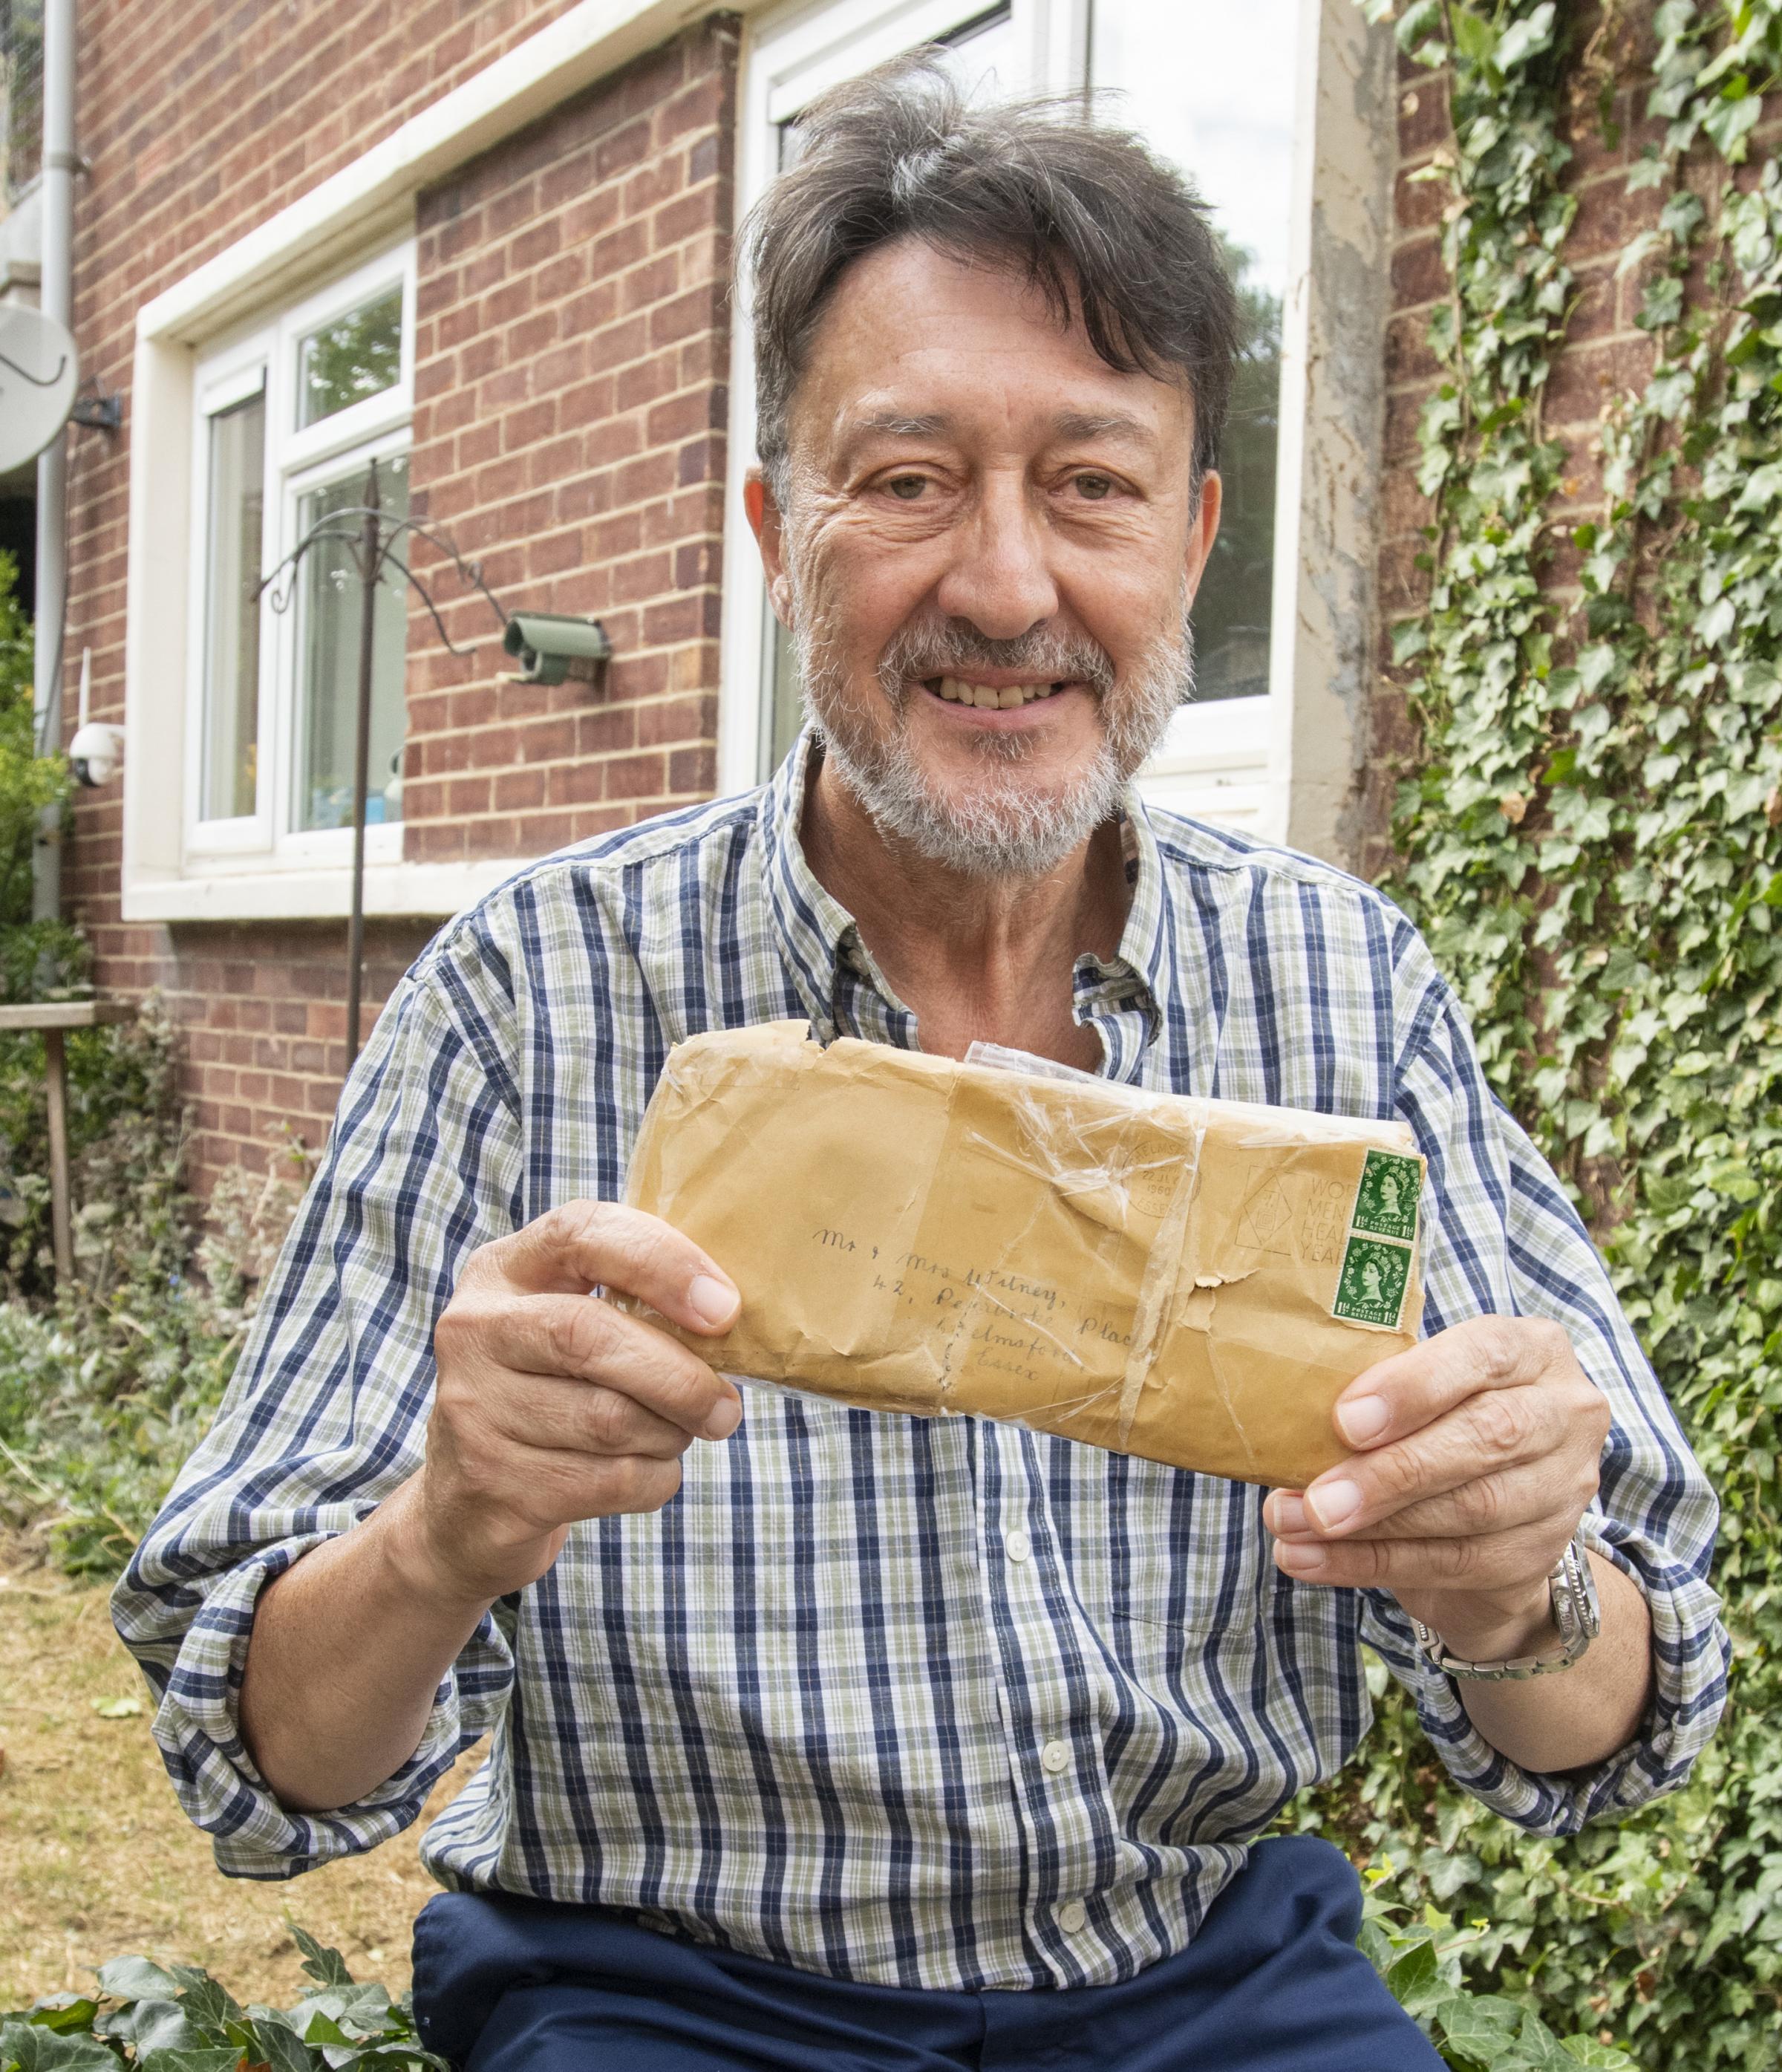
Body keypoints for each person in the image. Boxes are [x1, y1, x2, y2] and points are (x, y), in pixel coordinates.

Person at [114, 56, 1727, 2071]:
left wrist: (1519, 1594)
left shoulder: (1345, 989)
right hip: (665, 1995)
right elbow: (255, 1757)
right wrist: (446, 1533)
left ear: (1192, 533)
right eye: (906, 482)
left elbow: (1625, 1718)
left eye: (1091, 484)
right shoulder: (535, 992)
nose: (1005, 585)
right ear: (776, 531)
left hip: (1214, 1989)